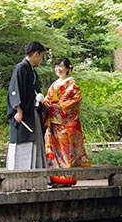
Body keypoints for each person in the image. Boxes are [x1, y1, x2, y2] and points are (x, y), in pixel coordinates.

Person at [42, 57, 90, 173]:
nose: (58, 69)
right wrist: (44, 103)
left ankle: (66, 176)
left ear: (68, 68)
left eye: (61, 66)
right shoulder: (54, 84)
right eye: (56, 66)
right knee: (54, 148)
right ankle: (55, 176)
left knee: (64, 148)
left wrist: (55, 107)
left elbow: (74, 100)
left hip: (63, 122)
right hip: (53, 121)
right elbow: (48, 98)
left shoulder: (71, 84)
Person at [6, 41, 47, 170]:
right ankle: (19, 175)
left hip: (32, 111)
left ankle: (36, 173)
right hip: (23, 114)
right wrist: (18, 110)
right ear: (36, 54)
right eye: (41, 56)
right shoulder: (21, 68)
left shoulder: (32, 71)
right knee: (22, 142)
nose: (41, 60)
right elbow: (14, 90)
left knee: (35, 141)